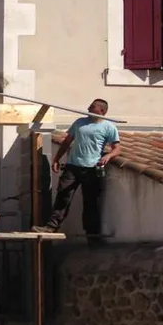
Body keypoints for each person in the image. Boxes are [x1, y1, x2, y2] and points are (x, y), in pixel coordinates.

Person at [32, 98, 121, 243]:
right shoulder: (79, 122)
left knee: (91, 202)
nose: (88, 108)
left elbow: (117, 149)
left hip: (92, 169)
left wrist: (108, 156)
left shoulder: (109, 127)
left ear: (102, 111)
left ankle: (92, 235)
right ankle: (51, 227)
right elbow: (67, 141)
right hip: (73, 167)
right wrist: (56, 159)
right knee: (63, 196)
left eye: (92, 107)